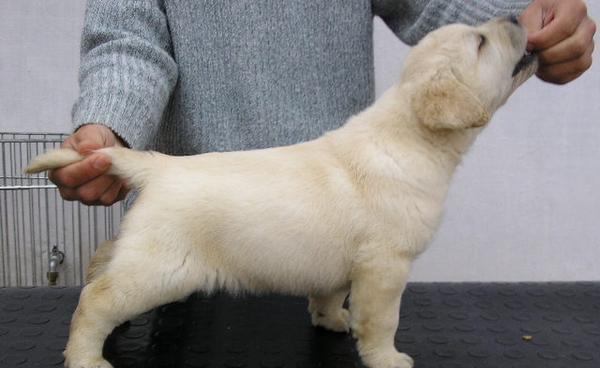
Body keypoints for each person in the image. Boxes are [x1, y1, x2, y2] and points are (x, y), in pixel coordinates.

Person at [50, 0, 595, 207]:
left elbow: (441, 4)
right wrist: (111, 123)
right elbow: (129, 38)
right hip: (200, 215)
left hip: (336, 223)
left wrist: (527, 22)